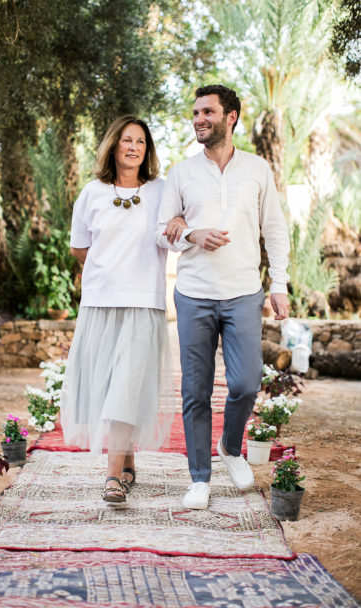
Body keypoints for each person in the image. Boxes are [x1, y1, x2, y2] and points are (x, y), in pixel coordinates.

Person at [156, 84, 290, 510]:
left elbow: (275, 229)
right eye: (195, 112)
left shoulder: (257, 169)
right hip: (194, 294)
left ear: (231, 117)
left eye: (208, 112)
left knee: (247, 382)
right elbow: (162, 230)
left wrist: (280, 283)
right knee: (194, 392)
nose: (199, 119)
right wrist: (191, 232)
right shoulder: (180, 173)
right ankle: (199, 477)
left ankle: (230, 447)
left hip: (243, 293)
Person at [61, 115, 175, 504]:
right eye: (126, 140)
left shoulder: (162, 190)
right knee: (110, 385)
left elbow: (175, 224)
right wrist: (108, 268)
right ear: (113, 145)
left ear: (148, 150)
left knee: (127, 386)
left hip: (144, 301)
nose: (133, 147)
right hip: (100, 303)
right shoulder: (92, 193)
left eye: (141, 142)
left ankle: (112, 478)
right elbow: (79, 247)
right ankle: (126, 462)